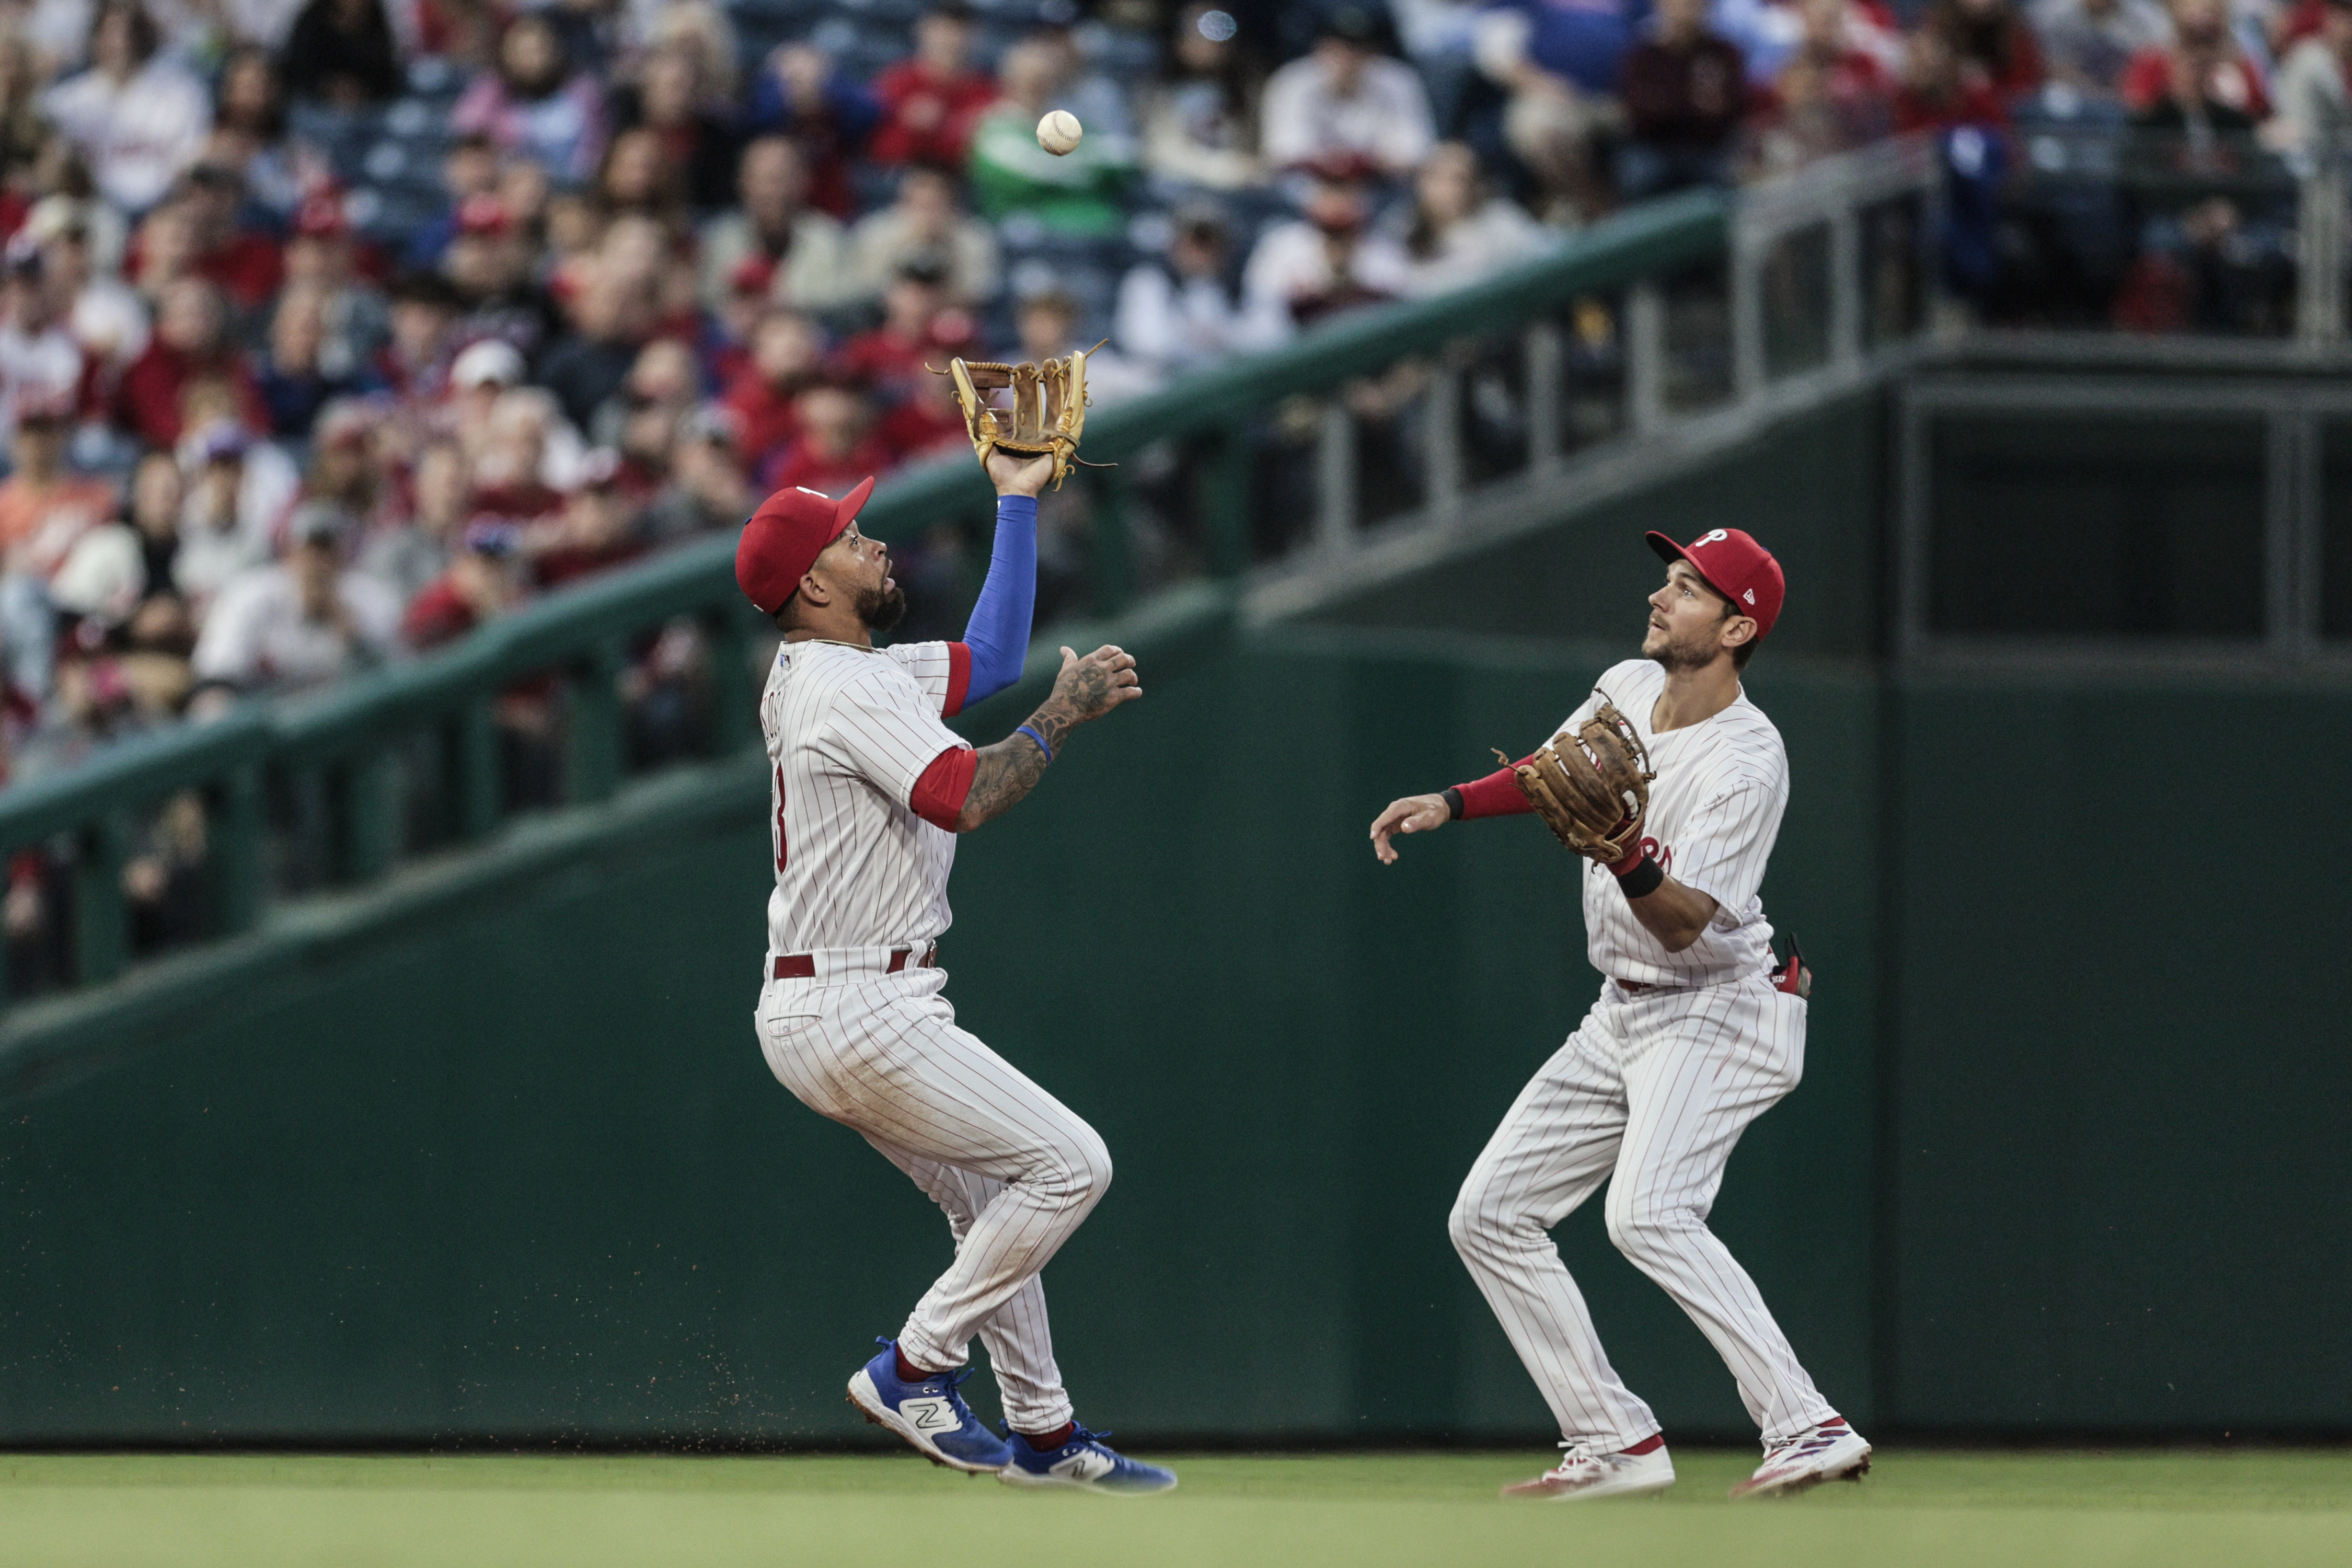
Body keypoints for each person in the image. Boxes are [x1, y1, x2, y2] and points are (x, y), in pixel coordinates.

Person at [1367, 525, 1868, 1501]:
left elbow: (1682, 925)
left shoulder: (1748, 760)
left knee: (1649, 1213)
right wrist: (1453, 802)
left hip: (1720, 1008)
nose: (1660, 596)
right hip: (1624, 1013)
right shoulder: (1629, 687)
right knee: (1492, 1216)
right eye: (1667, 579)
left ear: (1737, 626)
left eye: (1687, 588)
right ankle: (1615, 1442)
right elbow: (1557, 774)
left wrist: (1627, 850)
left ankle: (1807, 1424)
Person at [739, 437, 1172, 1493]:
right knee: (1071, 1165)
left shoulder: (850, 671)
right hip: (858, 1002)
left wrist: (1015, 504)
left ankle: (1044, 1433)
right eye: (848, 537)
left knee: (989, 1200)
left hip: (834, 995)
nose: (872, 539)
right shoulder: (845, 687)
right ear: (814, 585)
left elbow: (995, 650)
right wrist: (1062, 719)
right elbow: (964, 798)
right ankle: (914, 1366)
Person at [191, 501, 402, 693]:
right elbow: (216, 677)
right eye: (310, 551)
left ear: (342, 558)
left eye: (327, 552)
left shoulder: (370, 599)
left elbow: (397, 683)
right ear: (289, 554)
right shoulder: (252, 595)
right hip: (263, 722)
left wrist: (354, 638)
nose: (318, 563)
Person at [38, 0, 212, 214]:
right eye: (110, 34)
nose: (120, 43)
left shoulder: (183, 93)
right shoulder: (65, 101)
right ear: (95, 38)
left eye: (130, 33)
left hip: (164, 210)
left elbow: (192, 160)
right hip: (88, 212)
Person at [1260, 5, 1437, 176]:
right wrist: (1355, 162)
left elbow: (1417, 152)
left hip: (1380, 186)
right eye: (1338, 48)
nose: (1347, 58)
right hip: (1307, 187)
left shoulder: (1398, 80)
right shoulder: (1292, 81)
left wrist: (1352, 164)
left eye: (1357, 49)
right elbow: (1284, 154)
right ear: (1319, 48)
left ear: (1374, 52)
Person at [1115, 204, 1287, 377]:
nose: (1202, 253)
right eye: (1195, 242)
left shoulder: (1244, 282)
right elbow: (1144, 343)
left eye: (1212, 243)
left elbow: (1276, 338)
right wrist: (1192, 338)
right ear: (1174, 246)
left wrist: (1222, 337)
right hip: (1168, 383)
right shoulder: (1148, 281)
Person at [695, 135, 857, 314]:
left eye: (779, 179)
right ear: (742, 183)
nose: (770, 192)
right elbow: (708, 305)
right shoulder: (720, 240)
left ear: (804, 182)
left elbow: (838, 308)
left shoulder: (829, 239)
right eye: (760, 180)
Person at [452, 13, 609, 183]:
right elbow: (467, 132)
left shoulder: (585, 93)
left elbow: (598, 150)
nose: (533, 60)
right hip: (511, 190)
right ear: (507, 54)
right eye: (523, 52)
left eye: (539, 50)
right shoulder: (492, 94)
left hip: (575, 189)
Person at [1616, 0, 1749, 198]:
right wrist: (1695, 105)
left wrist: (1668, 104)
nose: (1686, 8)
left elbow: (1733, 109)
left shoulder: (1724, 53)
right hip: (1655, 150)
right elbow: (1638, 115)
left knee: (1732, 174)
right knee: (1636, 175)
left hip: (1710, 148)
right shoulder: (1642, 57)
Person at [1396, 141, 1548, 295]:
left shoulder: (1502, 221)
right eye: (1438, 178)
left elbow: (1547, 264)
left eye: (1459, 179)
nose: (1449, 189)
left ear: (1476, 185)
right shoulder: (1401, 230)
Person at [869, 2, 996, 172]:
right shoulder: (897, 82)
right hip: (900, 182)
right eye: (943, 29)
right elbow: (878, 152)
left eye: (961, 30)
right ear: (924, 30)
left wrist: (946, 129)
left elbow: (978, 160)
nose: (952, 40)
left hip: (956, 188)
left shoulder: (984, 93)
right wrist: (911, 129)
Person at [849, 167, 1001, 306]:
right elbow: (867, 288)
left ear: (952, 207)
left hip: (951, 314)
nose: (928, 216)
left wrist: (949, 246)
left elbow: (980, 291)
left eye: (936, 205)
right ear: (901, 205)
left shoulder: (974, 237)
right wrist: (906, 243)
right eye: (920, 205)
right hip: (885, 317)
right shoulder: (876, 233)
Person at [2031, 0, 2172, 99]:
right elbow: (2051, 67)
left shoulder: (2148, 17)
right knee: (2056, 96)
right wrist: (2094, 92)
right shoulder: (2049, 14)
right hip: (2074, 97)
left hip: (2127, 98)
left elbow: (2157, 61)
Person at [2270, 0, 2352, 151]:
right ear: (2330, 18)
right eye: (2345, 17)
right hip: (2302, 155)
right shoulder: (2311, 56)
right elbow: (2341, 104)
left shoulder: (2338, 61)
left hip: (2327, 154)